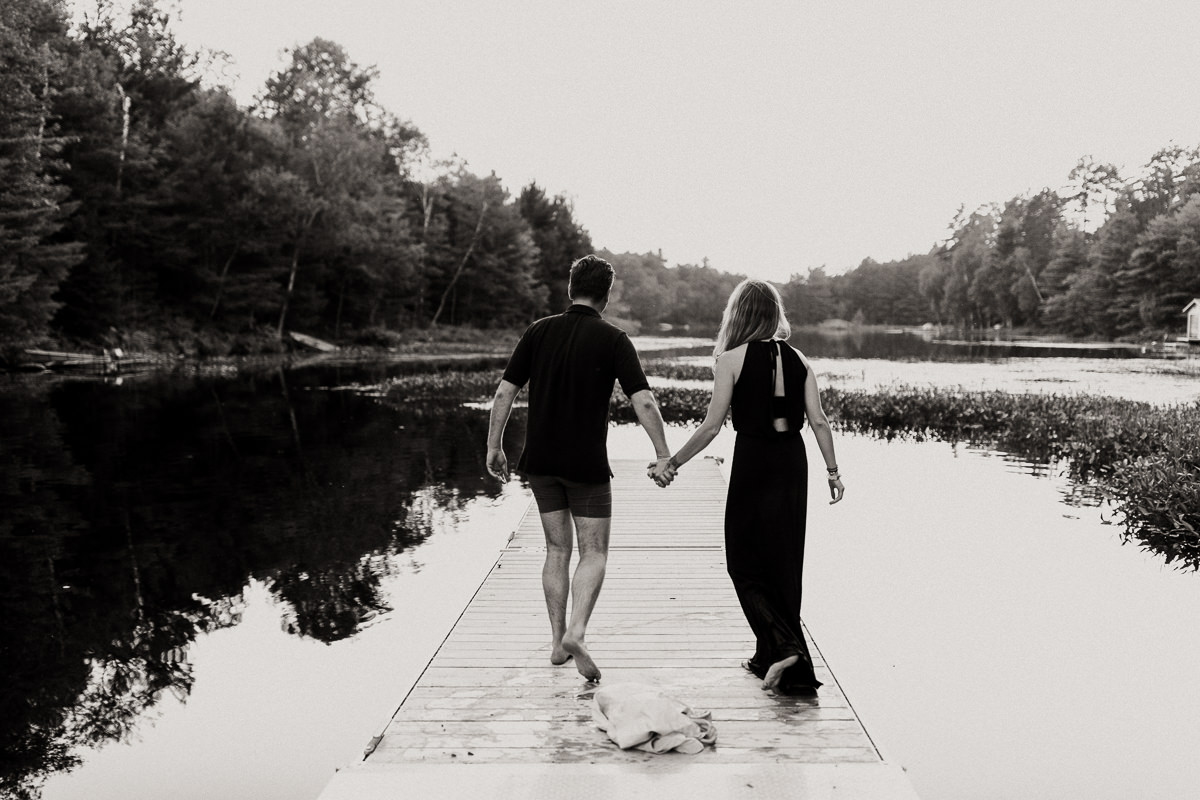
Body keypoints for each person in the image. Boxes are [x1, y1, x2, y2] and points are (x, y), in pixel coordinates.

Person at [649, 279, 845, 692]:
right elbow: (820, 421)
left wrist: (673, 462)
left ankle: (786, 646)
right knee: (784, 563)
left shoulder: (731, 359)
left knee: (742, 561)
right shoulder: (799, 359)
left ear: (738, 314)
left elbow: (711, 426)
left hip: (755, 461)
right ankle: (772, 659)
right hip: (793, 463)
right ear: (774, 315)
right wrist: (833, 472)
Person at [486, 254, 674, 682]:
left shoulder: (538, 332)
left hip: (541, 462)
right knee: (594, 552)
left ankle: (556, 644)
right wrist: (663, 454)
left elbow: (503, 394)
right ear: (606, 296)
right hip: (585, 464)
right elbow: (642, 400)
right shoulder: (613, 339)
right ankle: (577, 631)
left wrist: (494, 446)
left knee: (556, 550)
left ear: (570, 288)